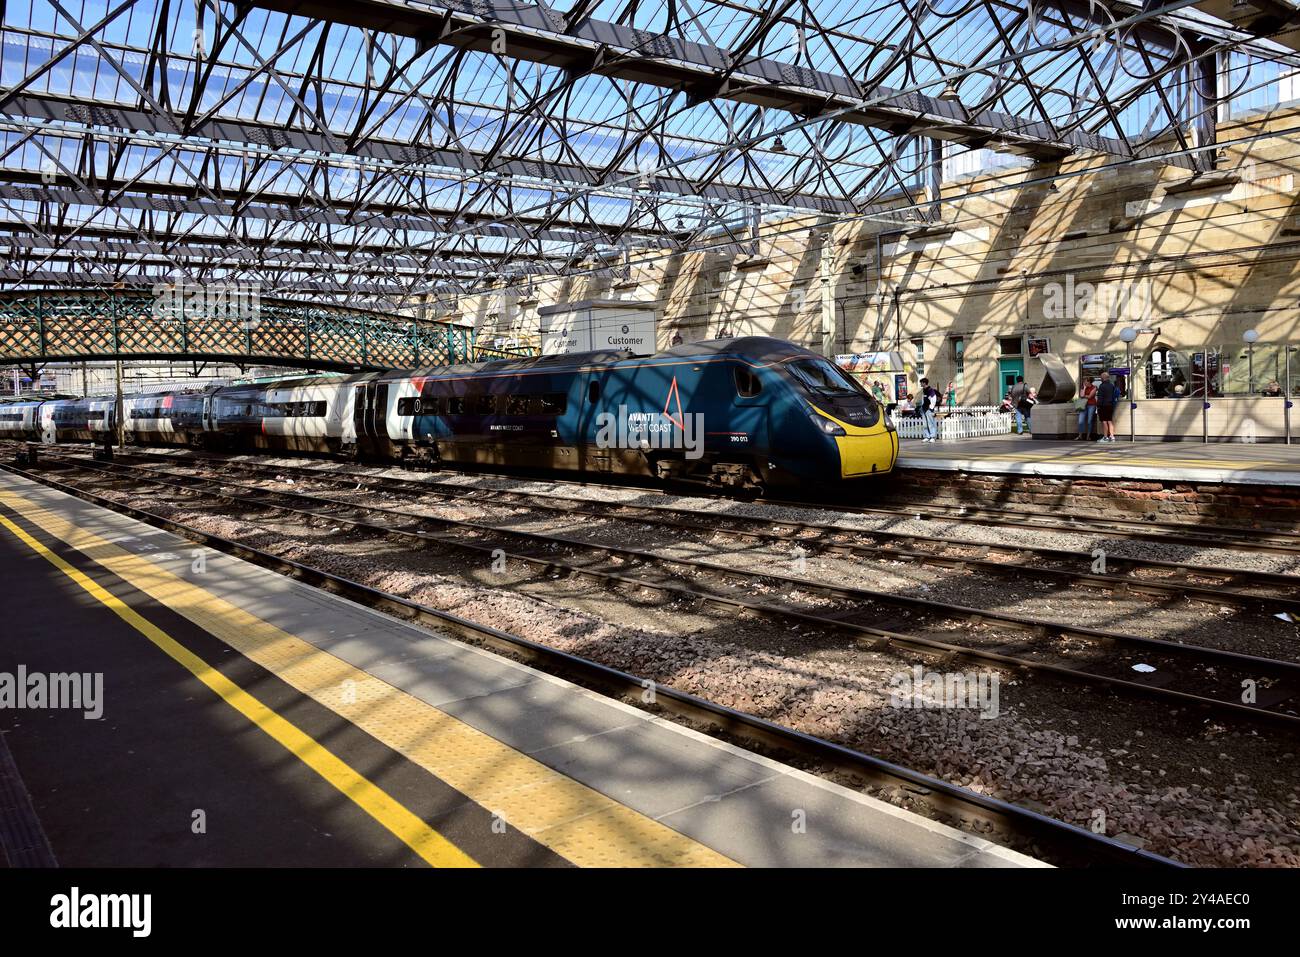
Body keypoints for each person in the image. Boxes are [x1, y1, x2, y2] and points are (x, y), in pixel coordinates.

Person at [1096, 370, 1120, 443]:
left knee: (1104, 421)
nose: (1100, 378)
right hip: (1111, 405)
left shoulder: (1102, 386)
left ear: (1103, 378)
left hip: (1103, 405)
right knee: (1109, 421)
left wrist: (1098, 406)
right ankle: (1112, 437)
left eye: (1101, 377)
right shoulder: (1111, 385)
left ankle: (1105, 437)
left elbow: (1100, 397)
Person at [1074, 376, 1098, 440]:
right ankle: (1080, 436)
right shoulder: (1083, 387)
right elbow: (1081, 395)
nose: (1084, 382)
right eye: (1084, 381)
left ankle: (1088, 436)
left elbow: (1090, 396)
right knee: (1080, 421)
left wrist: (1085, 396)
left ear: (1089, 382)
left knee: (1089, 421)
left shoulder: (1094, 387)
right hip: (1083, 406)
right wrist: (1084, 388)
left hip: (1091, 405)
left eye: (1085, 381)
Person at [917, 377, 940, 442]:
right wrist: (922, 406)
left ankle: (932, 437)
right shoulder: (924, 390)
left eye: (921, 383)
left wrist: (931, 408)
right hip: (924, 408)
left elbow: (933, 399)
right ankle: (927, 436)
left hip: (929, 409)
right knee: (925, 424)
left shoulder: (930, 390)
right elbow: (923, 399)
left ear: (924, 383)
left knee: (930, 423)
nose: (920, 384)